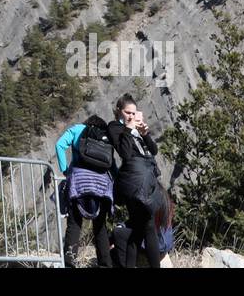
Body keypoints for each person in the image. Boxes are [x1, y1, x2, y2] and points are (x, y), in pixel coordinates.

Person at [107, 95, 166, 269]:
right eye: (127, 112)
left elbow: (153, 151)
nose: (131, 116)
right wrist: (128, 129)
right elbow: (124, 153)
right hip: (133, 182)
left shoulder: (133, 128)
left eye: (134, 113)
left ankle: (130, 265)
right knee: (148, 227)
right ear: (119, 111)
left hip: (144, 181)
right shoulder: (115, 127)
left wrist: (145, 135)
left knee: (138, 229)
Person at [54, 114, 115, 267]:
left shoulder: (78, 129)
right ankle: (105, 264)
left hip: (79, 181)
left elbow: (59, 145)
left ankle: (69, 262)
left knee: (74, 223)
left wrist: (65, 170)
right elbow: (111, 163)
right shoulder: (105, 136)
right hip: (101, 184)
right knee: (100, 226)